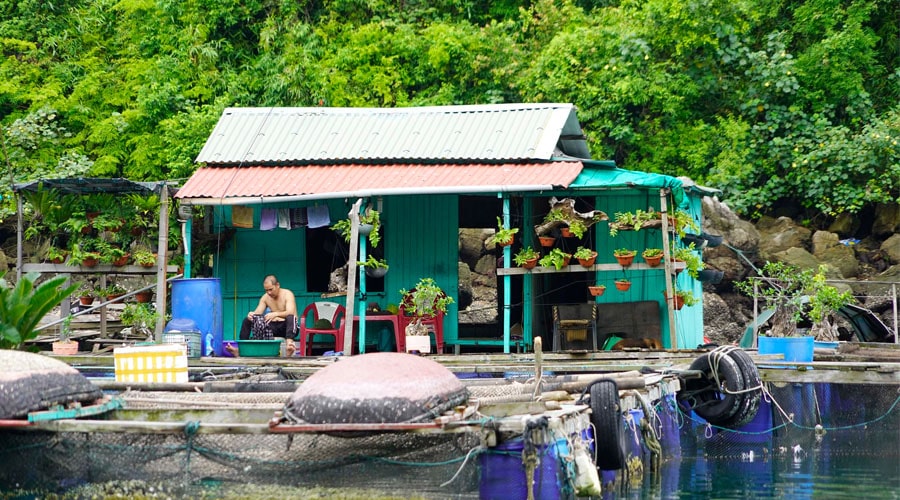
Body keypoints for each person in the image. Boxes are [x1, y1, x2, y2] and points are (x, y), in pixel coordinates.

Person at [226, 275, 297, 356]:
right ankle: (241, 349)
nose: (269, 293)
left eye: (271, 289)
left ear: (277, 285)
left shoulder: (287, 294)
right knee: (247, 320)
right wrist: (251, 315)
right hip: (272, 328)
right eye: (266, 290)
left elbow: (290, 312)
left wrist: (275, 314)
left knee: (291, 317)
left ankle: (289, 345)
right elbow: (257, 313)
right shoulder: (265, 297)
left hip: (287, 327)